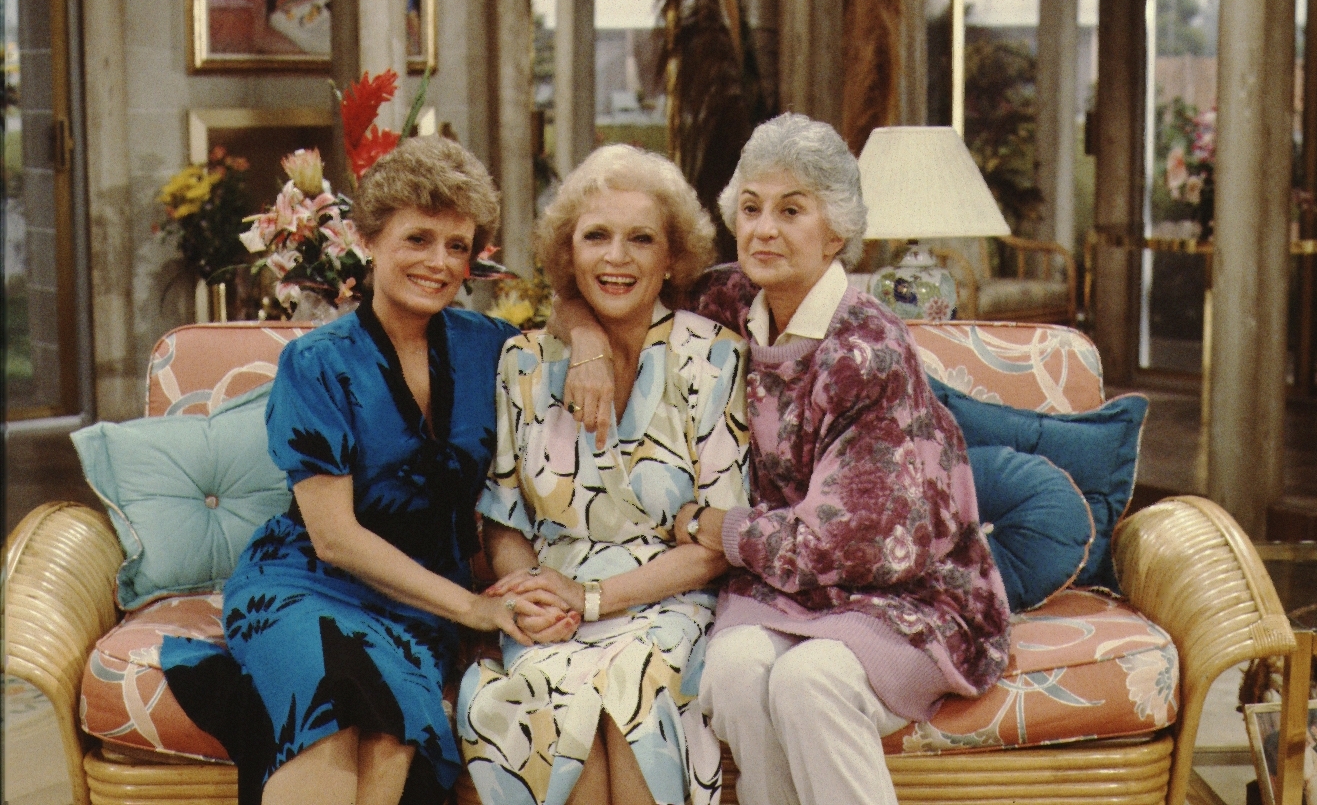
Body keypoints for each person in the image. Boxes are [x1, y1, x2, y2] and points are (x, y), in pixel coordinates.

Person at [559, 114, 1012, 805]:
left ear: (836, 232)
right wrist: (587, 338)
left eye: (791, 210)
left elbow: (850, 546)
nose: (764, 229)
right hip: (784, 590)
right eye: (751, 207)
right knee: (734, 668)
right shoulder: (730, 299)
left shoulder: (868, 349)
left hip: (902, 591)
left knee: (813, 681)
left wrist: (722, 529)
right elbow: (604, 286)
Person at [163, 136, 557, 805]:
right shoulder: (316, 362)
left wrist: (597, 345)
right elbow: (335, 538)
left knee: (389, 736)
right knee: (337, 701)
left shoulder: (492, 346)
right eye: (418, 239)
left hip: (416, 602)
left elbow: (584, 309)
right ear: (370, 239)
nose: (438, 262)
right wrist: (470, 606)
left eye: (457, 246)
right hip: (308, 583)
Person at [455, 144, 752, 805]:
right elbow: (505, 517)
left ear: (671, 257)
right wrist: (530, 595)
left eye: (640, 239)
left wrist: (591, 600)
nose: (617, 257)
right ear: (569, 254)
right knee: (555, 705)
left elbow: (713, 547)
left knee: (632, 688)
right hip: (553, 606)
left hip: (668, 602)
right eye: (597, 237)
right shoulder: (524, 361)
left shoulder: (714, 358)